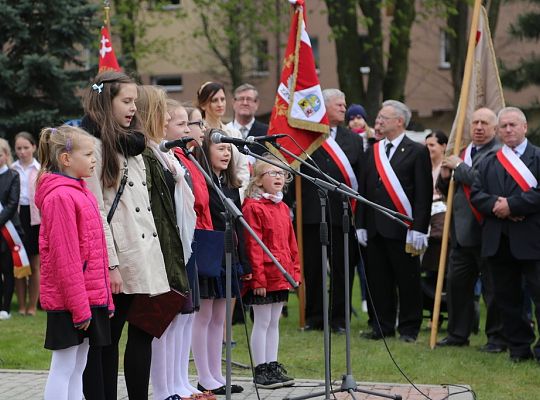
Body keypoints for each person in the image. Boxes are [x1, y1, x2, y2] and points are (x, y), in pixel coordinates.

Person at [81, 71, 170, 400]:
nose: (134, 108)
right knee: (107, 340)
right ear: (107, 100)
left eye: (135, 101)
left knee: (143, 333)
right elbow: (96, 213)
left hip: (142, 254)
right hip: (117, 257)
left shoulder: (132, 144)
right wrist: (111, 265)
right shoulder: (92, 146)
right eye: (126, 101)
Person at [35, 125, 114, 400]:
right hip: (70, 302)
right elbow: (65, 260)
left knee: (79, 366)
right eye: (89, 154)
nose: (94, 160)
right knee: (64, 365)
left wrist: (106, 301)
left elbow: (95, 252)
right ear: (66, 159)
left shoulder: (81, 192)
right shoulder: (60, 197)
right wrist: (80, 309)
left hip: (87, 299)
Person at [357, 100, 432, 342]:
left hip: (404, 229)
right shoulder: (374, 150)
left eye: (383, 118)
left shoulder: (417, 150)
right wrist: (360, 223)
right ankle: (382, 326)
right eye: (378, 118)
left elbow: (423, 194)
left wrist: (419, 228)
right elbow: (364, 191)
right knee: (378, 281)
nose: (377, 122)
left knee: (407, 281)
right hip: (375, 228)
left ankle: (409, 329)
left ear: (399, 121)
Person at [470, 107, 540, 363]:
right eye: (504, 126)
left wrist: (513, 205)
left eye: (513, 125)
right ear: (498, 131)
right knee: (506, 300)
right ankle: (519, 348)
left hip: (533, 241)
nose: (508, 130)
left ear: (525, 127)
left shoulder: (538, 157)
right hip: (499, 242)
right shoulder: (489, 161)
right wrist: (500, 207)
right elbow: (477, 195)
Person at [138, 86, 194, 400]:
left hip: (172, 244)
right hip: (157, 247)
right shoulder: (147, 154)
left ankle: (172, 384)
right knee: (160, 320)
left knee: (175, 319)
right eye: (163, 114)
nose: (167, 120)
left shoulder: (162, 153)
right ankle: (161, 389)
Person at [437, 108, 505, 352]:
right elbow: (450, 190)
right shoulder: (463, 152)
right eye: (475, 122)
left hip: (487, 231)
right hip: (461, 233)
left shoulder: (499, 153)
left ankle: (496, 338)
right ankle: (457, 334)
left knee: (492, 290)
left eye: (484, 123)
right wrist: (445, 176)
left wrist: (459, 167)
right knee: (457, 287)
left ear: (495, 129)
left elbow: (484, 181)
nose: (478, 127)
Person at [300, 89, 364, 333]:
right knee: (313, 268)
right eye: (339, 104)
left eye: (344, 104)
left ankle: (339, 318)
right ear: (323, 107)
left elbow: (360, 178)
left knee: (342, 268)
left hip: (342, 213)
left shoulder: (354, 140)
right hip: (311, 212)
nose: (344, 108)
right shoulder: (306, 136)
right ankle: (315, 317)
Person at [192, 128, 250, 395]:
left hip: (228, 254)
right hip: (208, 251)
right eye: (221, 148)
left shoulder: (230, 186)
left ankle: (216, 374)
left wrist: (243, 261)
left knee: (219, 318)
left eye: (229, 149)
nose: (226, 153)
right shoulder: (201, 183)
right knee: (203, 317)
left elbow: (239, 227)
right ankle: (204, 375)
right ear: (206, 150)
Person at [165, 100, 215, 400]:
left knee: (186, 315)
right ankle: (167, 386)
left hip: (190, 239)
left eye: (189, 124)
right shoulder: (171, 157)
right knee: (173, 318)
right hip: (176, 242)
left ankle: (181, 380)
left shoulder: (188, 157)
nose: (188, 129)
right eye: (183, 124)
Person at [243, 158, 300, 388]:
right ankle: (261, 369)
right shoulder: (252, 207)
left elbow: (291, 242)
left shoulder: (283, 206)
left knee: (274, 320)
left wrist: (294, 271)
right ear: (258, 179)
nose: (278, 177)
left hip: (281, 274)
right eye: (272, 173)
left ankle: (273, 365)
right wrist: (258, 278)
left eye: (281, 173)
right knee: (262, 320)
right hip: (264, 275)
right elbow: (253, 246)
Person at [196, 82, 249, 198]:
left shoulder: (234, 133)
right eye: (214, 100)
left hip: (234, 195)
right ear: (203, 104)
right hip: (207, 196)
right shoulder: (197, 132)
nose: (220, 104)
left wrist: (237, 197)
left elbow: (243, 170)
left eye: (222, 99)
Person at [11, 131, 41, 316]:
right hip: (16, 219)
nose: (22, 152)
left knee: (35, 265)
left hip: (35, 220)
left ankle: (32, 305)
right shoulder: (12, 169)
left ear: (34, 147)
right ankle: (21, 305)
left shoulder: (40, 170)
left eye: (26, 147)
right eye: (19, 148)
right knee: (19, 264)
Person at [0, 138, 21, 321]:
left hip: (7, 231)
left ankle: (6, 308)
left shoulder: (13, 175)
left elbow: (12, 203)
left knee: (7, 269)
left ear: (6, 155)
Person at [226, 83, 268, 157]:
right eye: (241, 99)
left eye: (249, 99)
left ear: (257, 103)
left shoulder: (267, 133)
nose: (245, 103)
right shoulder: (224, 131)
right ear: (233, 102)